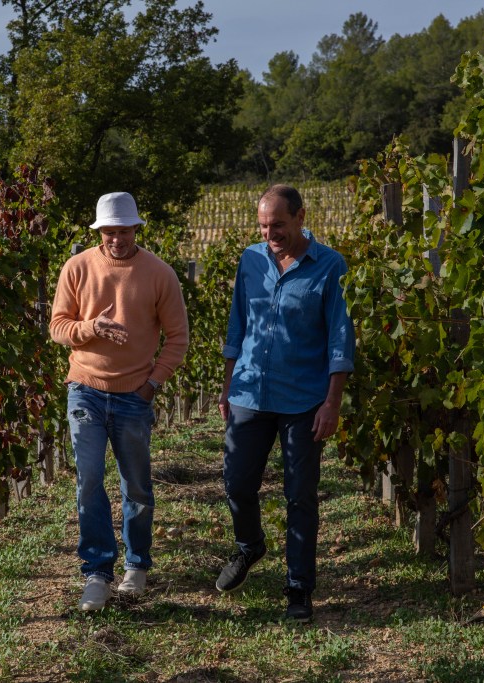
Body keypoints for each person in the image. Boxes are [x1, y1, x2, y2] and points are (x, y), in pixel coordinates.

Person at [214, 184, 355, 623]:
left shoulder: (330, 266)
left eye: (277, 224)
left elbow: (340, 337)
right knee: (237, 482)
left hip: (303, 399)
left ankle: (298, 587)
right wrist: (227, 384)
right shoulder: (250, 260)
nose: (269, 233)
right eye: (263, 225)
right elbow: (238, 324)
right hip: (250, 392)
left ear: (300, 217)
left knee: (300, 496)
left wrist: (332, 402)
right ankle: (250, 546)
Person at [49, 191, 189, 611]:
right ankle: (96, 572)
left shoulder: (160, 274)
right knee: (89, 480)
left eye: (124, 231)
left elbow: (178, 338)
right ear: (99, 232)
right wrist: (92, 327)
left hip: (134, 396)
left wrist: (152, 384)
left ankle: (136, 565)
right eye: (109, 232)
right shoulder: (77, 268)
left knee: (136, 485)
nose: (117, 239)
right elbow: (58, 327)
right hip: (85, 390)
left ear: (136, 229)